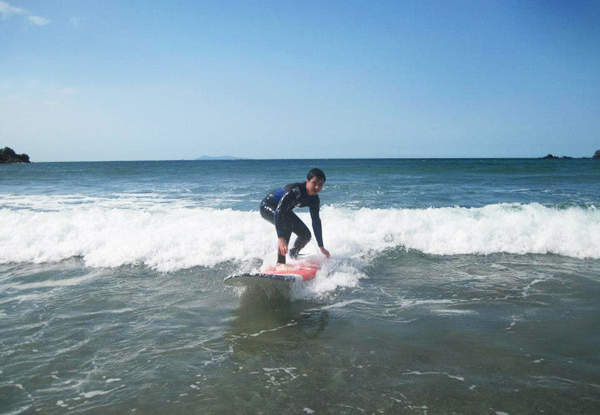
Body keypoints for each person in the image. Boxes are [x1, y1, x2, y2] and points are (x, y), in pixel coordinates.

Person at [260, 168, 331, 266]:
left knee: (305, 235)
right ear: (307, 181)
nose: (317, 187)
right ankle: (280, 262)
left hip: (284, 211)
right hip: (267, 206)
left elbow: (316, 221)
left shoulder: (314, 200)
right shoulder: (294, 191)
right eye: (314, 183)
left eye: (320, 184)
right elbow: (279, 211)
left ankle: (293, 254)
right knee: (287, 223)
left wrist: (321, 246)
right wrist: (281, 237)